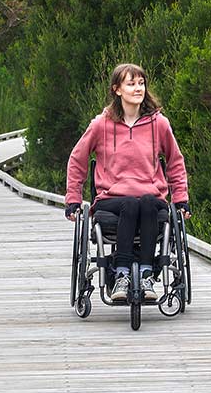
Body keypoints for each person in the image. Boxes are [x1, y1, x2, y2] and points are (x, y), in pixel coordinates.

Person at [65, 62, 189, 305]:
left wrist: (181, 198)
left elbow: (175, 162)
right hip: (111, 200)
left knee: (145, 203)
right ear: (117, 90)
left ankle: (146, 275)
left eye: (141, 83)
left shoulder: (159, 124)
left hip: (151, 199)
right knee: (131, 204)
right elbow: (77, 160)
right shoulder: (101, 125)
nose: (138, 88)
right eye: (131, 84)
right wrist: (73, 199)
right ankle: (121, 275)